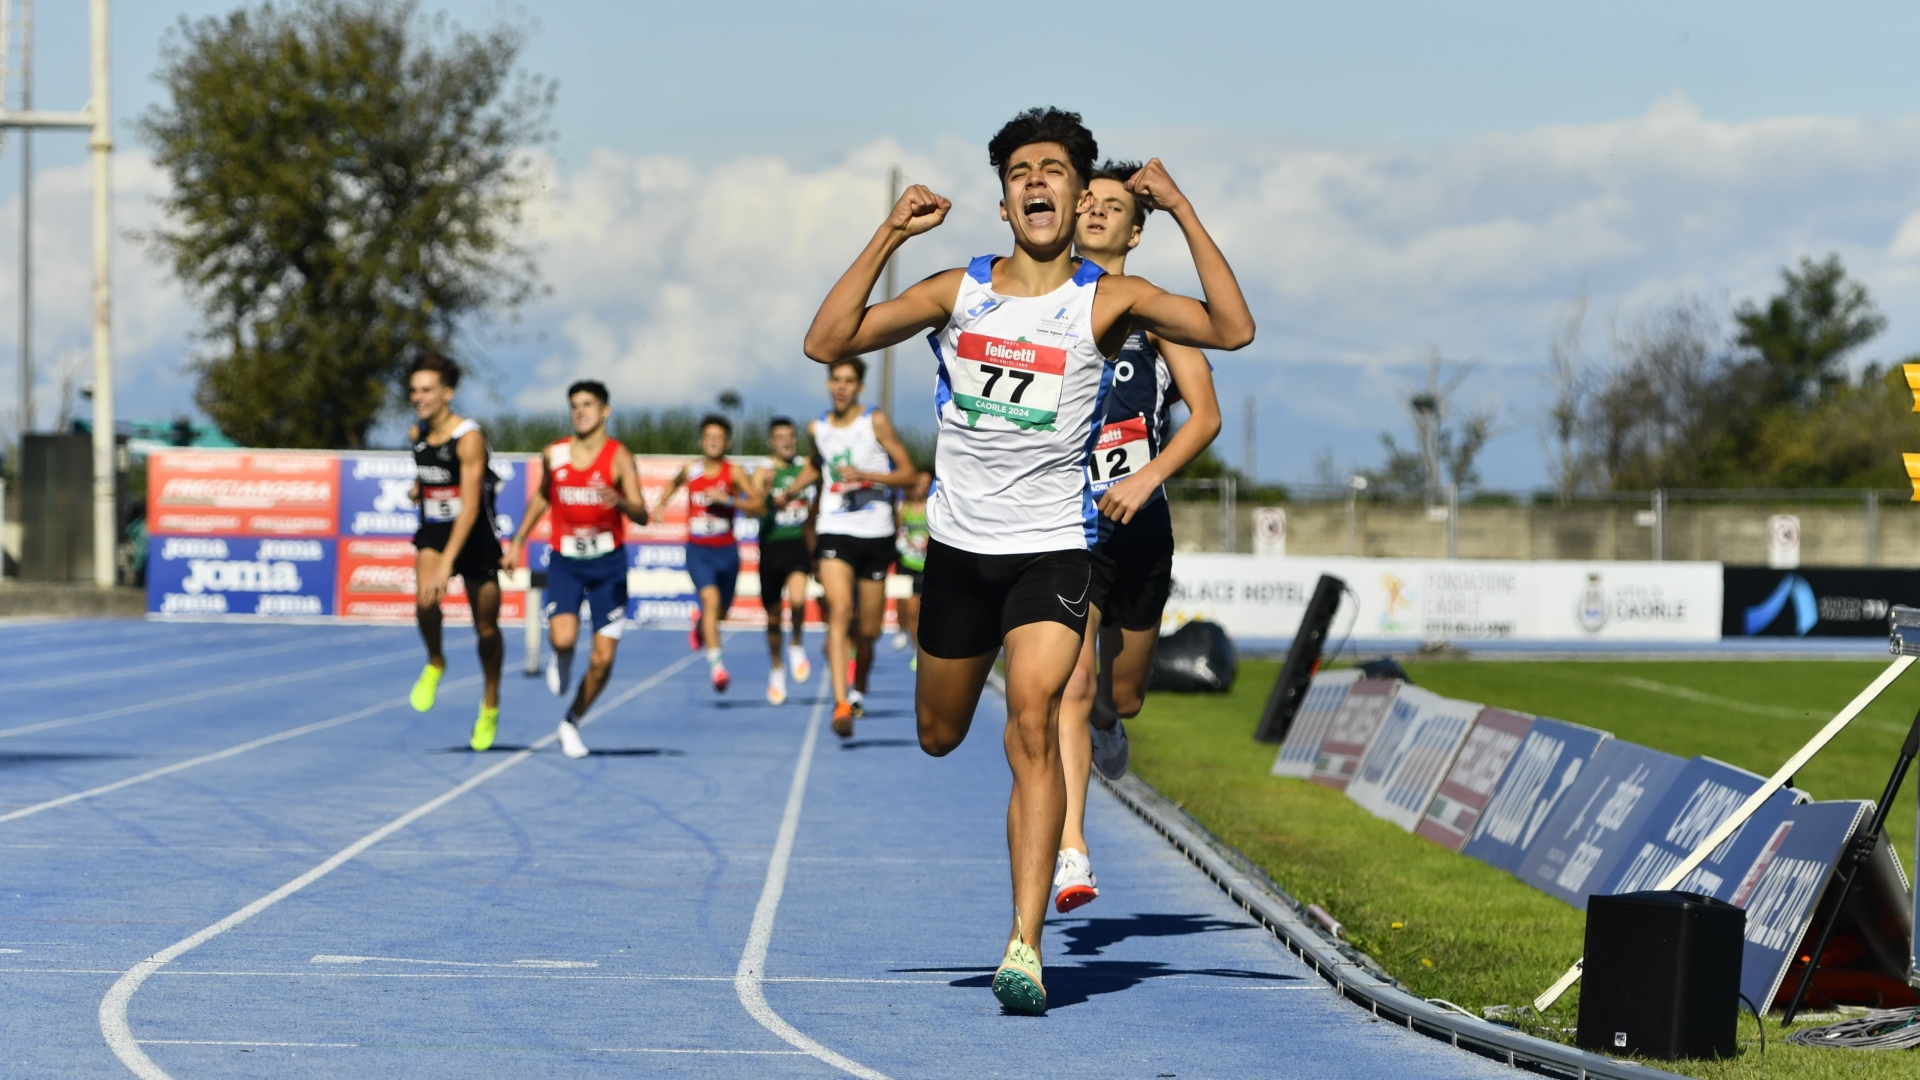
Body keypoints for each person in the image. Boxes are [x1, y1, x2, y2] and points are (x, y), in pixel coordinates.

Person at [802, 107, 1253, 1014]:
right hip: (961, 550)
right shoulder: (954, 289)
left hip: (1054, 546)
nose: (1037, 182)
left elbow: (1232, 330)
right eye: (1020, 172)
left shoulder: (1108, 299)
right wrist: (889, 231)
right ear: (1005, 201)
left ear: (1080, 194)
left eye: (1054, 170)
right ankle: (1026, 908)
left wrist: (1186, 209)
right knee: (939, 733)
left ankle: (1024, 945)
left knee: (1039, 718)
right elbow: (827, 341)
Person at [1053, 162, 1223, 914]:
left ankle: (1108, 722)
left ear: (1135, 227)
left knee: (1118, 694)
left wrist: (1149, 475)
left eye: (1110, 205)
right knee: (1069, 679)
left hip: (1140, 527)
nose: (1092, 212)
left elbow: (1206, 415)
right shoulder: (1049, 302)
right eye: (1084, 201)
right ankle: (1072, 849)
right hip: (1068, 524)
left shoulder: (1155, 313)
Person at [503, 380, 651, 759]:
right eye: (574, 405)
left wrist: (618, 499)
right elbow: (542, 496)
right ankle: (563, 656)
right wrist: (518, 540)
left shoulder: (619, 457)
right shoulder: (555, 453)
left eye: (587, 404)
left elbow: (642, 514)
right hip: (567, 560)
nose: (579, 411)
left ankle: (570, 723)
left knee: (602, 661)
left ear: (605, 411)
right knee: (564, 639)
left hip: (609, 565)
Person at [403, 352, 508, 752]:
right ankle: (435, 661)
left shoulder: (469, 438)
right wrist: (420, 489)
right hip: (433, 533)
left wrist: (449, 562)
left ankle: (491, 701)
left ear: (447, 393)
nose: (418, 396)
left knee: (486, 629)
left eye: (426, 389)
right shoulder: (417, 435)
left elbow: (469, 505)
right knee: (425, 601)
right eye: (413, 390)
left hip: (475, 539)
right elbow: (429, 476)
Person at [809, 358, 917, 736]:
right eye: (835, 380)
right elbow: (815, 467)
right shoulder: (817, 428)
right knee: (841, 609)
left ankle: (858, 687)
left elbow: (908, 473)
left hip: (875, 533)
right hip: (834, 528)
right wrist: (787, 489)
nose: (841, 387)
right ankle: (840, 703)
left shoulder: (875, 422)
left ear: (859, 388)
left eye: (849, 381)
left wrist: (866, 475)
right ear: (828, 384)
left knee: (868, 629)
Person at [657, 415, 757, 693]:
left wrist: (729, 500)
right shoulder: (692, 469)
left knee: (720, 612)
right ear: (701, 441)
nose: (713, 441)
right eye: (708, 437)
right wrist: (661, 505)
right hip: (698, 550)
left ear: (727, 442)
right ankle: (717, 668)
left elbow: (757, 504)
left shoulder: (734, 472)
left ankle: (701, 623)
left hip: (726, 552)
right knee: (710, 601)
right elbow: (672, 483)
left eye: (719, 437)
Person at [752, 416, 820, 705]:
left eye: (790, 436)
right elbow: (753, 507)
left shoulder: (805, 467)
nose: (787, 441)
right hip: (771, 547)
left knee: (798, 601)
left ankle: (796, 645)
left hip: (797, 544)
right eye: (780, 436)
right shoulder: (763, 471)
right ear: (771, 441)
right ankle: (777, 668)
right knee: (773, 616)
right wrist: (768, 493)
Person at [892, 468, 932, 663]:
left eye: (927, 483)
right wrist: (904, 541)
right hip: (908, 562)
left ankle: (926, 647)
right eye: (919, 482)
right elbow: (897, 530)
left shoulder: (932, 507)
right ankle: (917, 650)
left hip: (928, 565)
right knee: (911, 609)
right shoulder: (904, 507)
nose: (922, 487)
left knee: (928, 612)